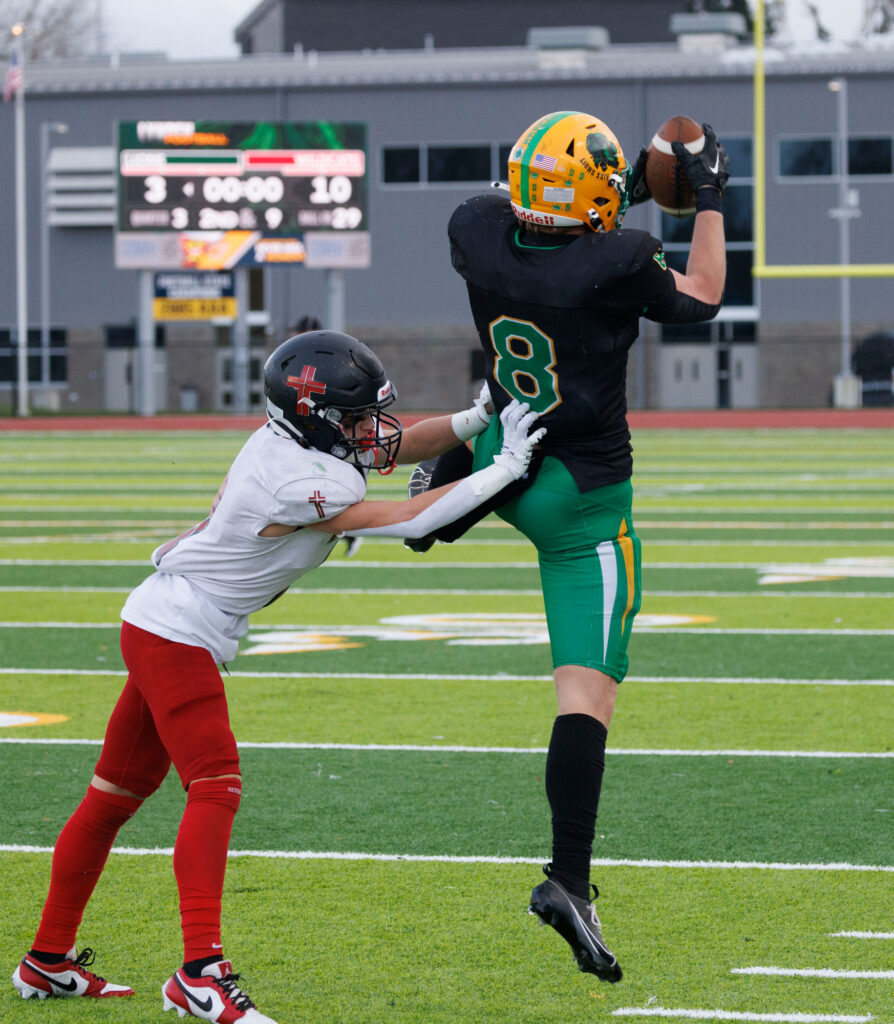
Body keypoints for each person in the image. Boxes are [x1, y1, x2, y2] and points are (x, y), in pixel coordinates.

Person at [11, 330, 544, 1022]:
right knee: (215, 785)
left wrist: (474, 419)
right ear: (315, 418)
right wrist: (503, 468)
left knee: (114, 797)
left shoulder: (305, 443)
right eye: (355, 417)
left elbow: (389, 447)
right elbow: (412, 515)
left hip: (169, 620)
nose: (370, 429)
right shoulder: (300, 477)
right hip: (179, 629)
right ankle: (200, 972)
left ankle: (47, 961)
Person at [407, 111, 729, 981]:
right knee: (585, 697)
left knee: (497, 428)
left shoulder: (473, 228)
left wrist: (606, 185)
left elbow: (545, 216)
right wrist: (707, 199)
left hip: (501, 455)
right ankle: (568, 878)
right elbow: (701, 297)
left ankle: (447, 490)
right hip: (579, 500)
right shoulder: (618, 261)